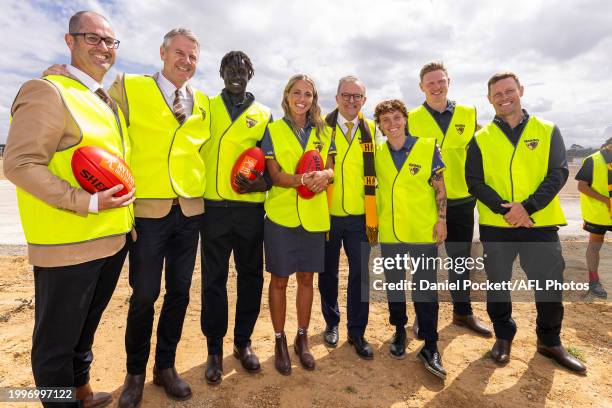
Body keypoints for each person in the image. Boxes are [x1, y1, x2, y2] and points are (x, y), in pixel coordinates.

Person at [4, 11, 134, 408]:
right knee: (55, 347)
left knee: (83, 334)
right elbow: (19, 164)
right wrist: (86, 201)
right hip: (68, 246)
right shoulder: (47, 91)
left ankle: (81, 393)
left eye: (110, 42)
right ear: (70, 40)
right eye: (92, 38)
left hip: (110, 241)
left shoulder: (102, 100)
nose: (103, 47)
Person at [109, 28, 210, 406]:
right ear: (163, 53)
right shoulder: (129, 86)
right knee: (145, 294)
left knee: (180, 292)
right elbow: (93, 106)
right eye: (180, 53)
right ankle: (135, 372)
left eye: (193, 56)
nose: (186, 61)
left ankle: (164, 366)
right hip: (149, 211)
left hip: (189, 210)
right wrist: (62, 75)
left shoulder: (201, 101)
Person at [466, 71, 587, 374]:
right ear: (489, 99)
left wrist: (528, 208)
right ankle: (504, 336)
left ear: (521, 90)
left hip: (540, 224)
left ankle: (549, 341)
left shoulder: (546, 129)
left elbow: (558, 172)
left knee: (548, 285)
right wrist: (505, 209)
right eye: (497, 94)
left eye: (509, 91)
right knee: (497, 285)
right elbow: (474, 181)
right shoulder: (481, 138)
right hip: (498, 225)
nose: (505, 98)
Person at [200, 51, 272, 385]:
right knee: (213, 281)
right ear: (220, 72)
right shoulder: (205, 106)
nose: (236, 74)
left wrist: (263, 182)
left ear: (250, 75)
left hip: (249, 211)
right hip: (213, 209)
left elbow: (272, 167)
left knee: (250, 278)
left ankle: (243, 343)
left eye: (242, 70)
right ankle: (214, 349)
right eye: (230, 69)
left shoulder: (264, 115)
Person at [407, 62, 491, 338]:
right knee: (424, 264)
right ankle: (423, 315)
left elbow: (480, 150)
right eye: (430, 83)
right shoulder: (412, 117)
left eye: (440, 81)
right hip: (426, 200)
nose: (436, 86)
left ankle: (463, 312)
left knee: (459, 261)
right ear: (422, 87)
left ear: (448, 82)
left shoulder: (468, 113)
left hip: (462, 200)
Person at [262, 74, 335, 375]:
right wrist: (302, 180)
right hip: (281, 216)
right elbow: (275, 175)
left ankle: (301, 338)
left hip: (315, 217)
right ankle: (279, 340)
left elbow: (331, 168)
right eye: (297, 92)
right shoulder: (273, 130)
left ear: (314, 98)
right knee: (279, 280)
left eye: (308, 93)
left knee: (307, 280)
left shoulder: (325, 132)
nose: (302, 98)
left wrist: (326, 176)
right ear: (287, 95)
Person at [374, 99, 447, 380]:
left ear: (405, 119)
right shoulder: (376, 153)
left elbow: (440, 189)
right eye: (385, 120)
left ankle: (430, 344)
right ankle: (398, 331)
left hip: (422, 231)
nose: (392, 124)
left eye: (396, 118)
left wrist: (442, 220)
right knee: (395, 286)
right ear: (379, 126)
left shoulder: (427, 147)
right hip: (390, 231)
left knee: (425, 289)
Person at [319, 75, 377, 359]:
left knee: (360, 275)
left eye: (357, 96)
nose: (351, 100)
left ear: (364, 100)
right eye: (346, 95)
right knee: (327, 271)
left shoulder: (373, 130)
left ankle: (357, 331)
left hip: (360, 217)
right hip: (327, 214)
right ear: (337, 97)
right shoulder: (321, 128)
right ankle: (331, 323)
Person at [576, 136, 612, 298]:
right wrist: (606, 200)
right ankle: (594, 282)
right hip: (599, 214)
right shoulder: (593, 160)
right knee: (595, 246)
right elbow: (582, 186)